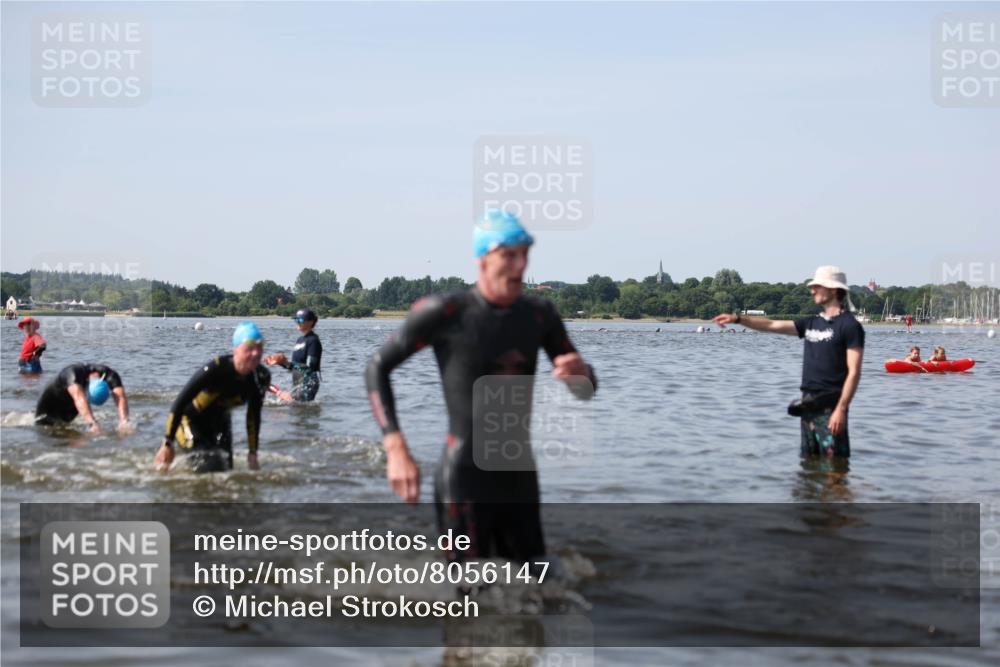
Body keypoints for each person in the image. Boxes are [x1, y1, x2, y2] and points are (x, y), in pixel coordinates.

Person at [365, 209, 597, 564]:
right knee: (469, 596)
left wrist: (582, 373)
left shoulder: (539, 315)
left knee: (537, 585)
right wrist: (396, 448)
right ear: (482, 259)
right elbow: (377, 367)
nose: (520, 265)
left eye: (525, 254)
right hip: (464, 477)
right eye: (509, 255)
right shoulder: (446, 312)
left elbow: (585, 389)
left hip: (519, 475)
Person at [713, 265, 864, 459]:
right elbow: (772, 325)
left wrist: (841, 409)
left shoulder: (850, 326)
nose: (812, 290)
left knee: (835, 470)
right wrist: (738, 319)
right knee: (808, 469)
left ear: (834, 290)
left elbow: (854, 372)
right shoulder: (811, 323)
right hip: (808, 405)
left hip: (832, 408)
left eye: (817, 286)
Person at [154, 322, 270, 473]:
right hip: (190, 420)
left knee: (226, 470)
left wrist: (252, 453)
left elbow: (253, 415)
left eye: (259, 347)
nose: (255, 353)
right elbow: (180, 402)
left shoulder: (261, 377)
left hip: (221, 422)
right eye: (249, 347)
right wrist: (167, 443)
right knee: (209, 466)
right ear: (236, 349)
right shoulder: (216, 369)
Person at [34, 363, 130, 433]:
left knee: (73, 438)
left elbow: (120, 396)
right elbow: (79, 398)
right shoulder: (72, 374)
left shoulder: (110, 375)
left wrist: (124, 421)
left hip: (70, 406)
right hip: (49, 407)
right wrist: (93, 424)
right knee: (49, 430)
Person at [265, 307, 322, 401]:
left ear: (310, 322)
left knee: (295, 406)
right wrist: (281, 362)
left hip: (308, 383)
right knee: (294, 409)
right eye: (296, 320)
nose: (297, 322)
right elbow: (294, 367)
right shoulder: (300, 340)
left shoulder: (313, 340)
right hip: (298, 381)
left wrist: (286, 362)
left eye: (300, 320)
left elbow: (310, 367)